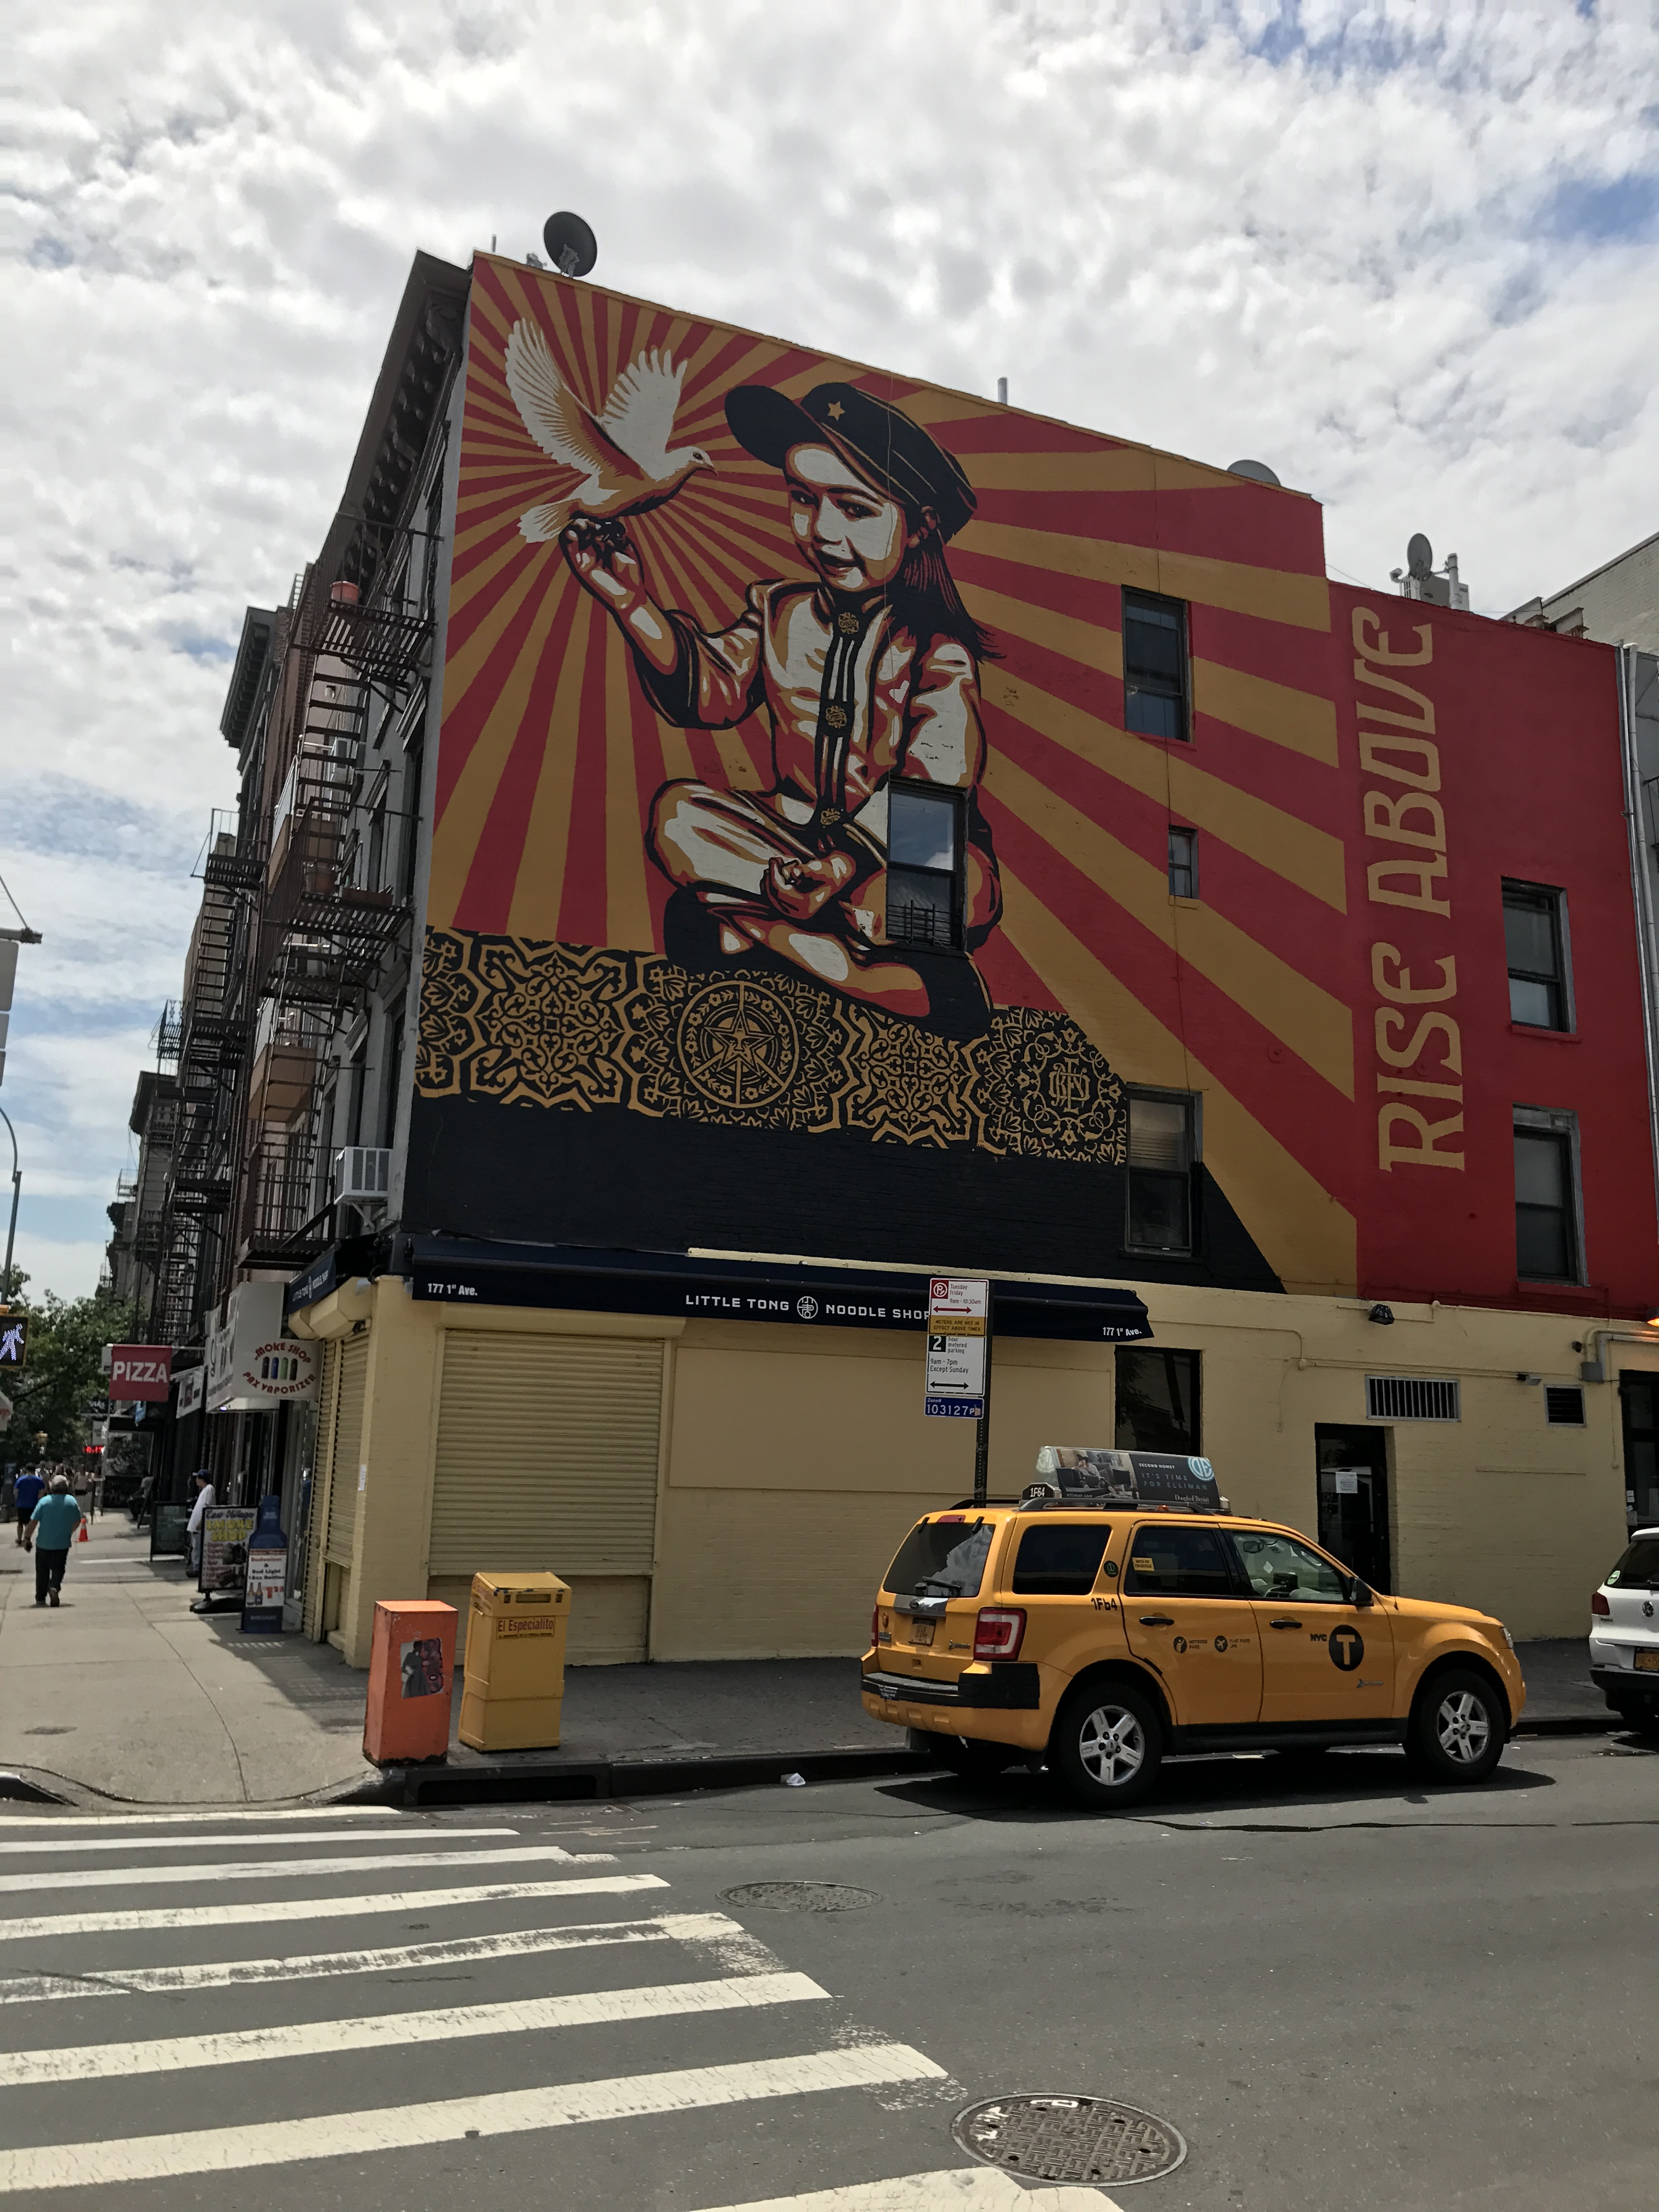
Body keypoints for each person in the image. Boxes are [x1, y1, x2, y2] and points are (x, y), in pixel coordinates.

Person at [562, 380, 1002, 1039]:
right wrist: (632, 605)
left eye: (853, 508)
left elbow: (936, 780)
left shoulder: (939, 648)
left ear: (920, 528)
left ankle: (757, 932)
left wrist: (843, 865)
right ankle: (851, 966)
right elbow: (708, 690)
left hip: (904, 853)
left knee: (924, 895)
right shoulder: (779, 609)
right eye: (802, 498)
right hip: (791, 847)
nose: (821, 531)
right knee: (677, 815)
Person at [30, 1474, 82, 1607]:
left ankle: (41, 1598)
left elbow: (33, 1522)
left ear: (52, 1487)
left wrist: (26, 1538)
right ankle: (54, 1586)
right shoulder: (71, 1502)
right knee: (59, 1568)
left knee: (42, 1571)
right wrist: (69, 1532)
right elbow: (78, 1521)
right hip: (62, 1543)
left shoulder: (44, 1502)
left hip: (44, 1543)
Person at [185, 1471, 215, 1576]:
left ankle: (197, 1568)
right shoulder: (204, 1490)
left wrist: (201, 1522)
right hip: (196, 1526)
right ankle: (195, 1566)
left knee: (198, 1548)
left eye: (197, 1478)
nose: (196, 1481)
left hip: (200, 1526)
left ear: (202, 1479)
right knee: (195, 1547)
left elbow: (207, 1507)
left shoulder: (209, 1489)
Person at [13, 1465, 44, 1550]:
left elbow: (16, 1492)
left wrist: (18, 1500)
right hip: (33, 1504)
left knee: (20, 1523)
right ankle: (27, 1538)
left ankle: (19, 1539)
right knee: (29, 1523)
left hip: (21, 1504)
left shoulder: (20, 1480)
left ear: (26, 1470)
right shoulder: (39, 1480)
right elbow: (42, 1492)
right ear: (34, 1471)